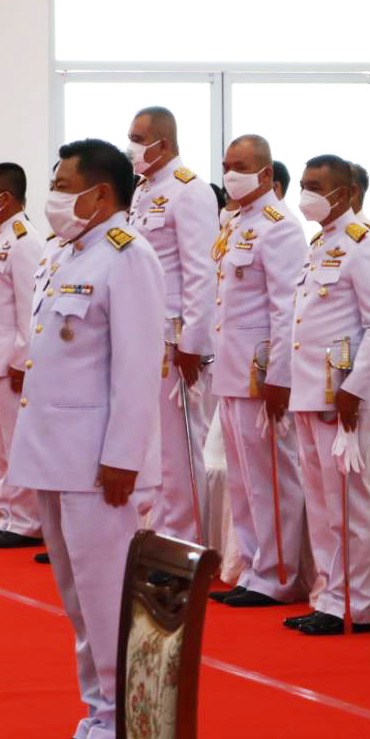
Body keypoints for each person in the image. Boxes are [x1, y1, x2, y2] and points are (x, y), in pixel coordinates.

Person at [14, 139, 165, 739]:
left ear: (100, 193)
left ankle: (124, 727)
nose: (53, 195)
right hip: (56, 453)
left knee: (107, 599)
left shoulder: (128, 257)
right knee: (80, 600)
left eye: (63, 184)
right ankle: (98, 718)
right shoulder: (69, 253)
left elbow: (137, 366)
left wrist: (124, 456)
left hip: (99, 462)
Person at [284, 154, 370, 635]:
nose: (306, 194)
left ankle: (352, 604)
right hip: (310, 392)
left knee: (348, 505)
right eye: (304, 184)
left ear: (346, 193)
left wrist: (354, 389)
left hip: (341, 397)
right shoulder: (321, 244)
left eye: (317, 186)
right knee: (322, 505)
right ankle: (328, 596)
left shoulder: (365, 245)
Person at [208, 135, 309, 606]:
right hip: (230, 368)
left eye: (241, 167)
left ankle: (278, 574)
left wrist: (279, 377)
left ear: (266, 174)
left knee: (271, 476)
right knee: (243, 479)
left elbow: (286, 309)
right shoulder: (234, 222)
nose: (231, 175)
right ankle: (252, 566)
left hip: (260, 373)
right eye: (227, 166)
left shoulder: (280, 227)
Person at [125, 106, 217, 544]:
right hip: (143, 334)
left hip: (173, 339)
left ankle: (182, 540)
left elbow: (201, 272)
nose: (132, 148)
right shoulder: (143, 191)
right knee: (150, 446)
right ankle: (156, 532)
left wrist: (192, 344)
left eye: (138, 139)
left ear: (163, 143)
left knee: (178, 448)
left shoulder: (190, 191)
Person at [0, 163, 46, 550]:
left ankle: (27, 520)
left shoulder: (24, 240)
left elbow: (30, 310)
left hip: (10, 363)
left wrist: (21, 360)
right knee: (1, 447)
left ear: (7, 196)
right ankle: (10, 516)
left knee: (17, 444)